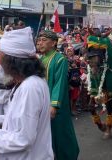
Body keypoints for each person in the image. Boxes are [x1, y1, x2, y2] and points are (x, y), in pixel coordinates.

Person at [0, 27, 53, 160]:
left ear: (11, 61)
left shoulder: (30, 87)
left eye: (1, 55)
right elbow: (17, 118)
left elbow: (24, 139)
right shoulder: (23, 82)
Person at [38, 30, 79, 160]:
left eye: (44, 40)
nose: (40, 42)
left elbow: (60, 83)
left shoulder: (59, 59)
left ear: (54, 43)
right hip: (41, 104)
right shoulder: (40, 59)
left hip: (56, 106)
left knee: (60, 134)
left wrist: (54, 105)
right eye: (39, 40)